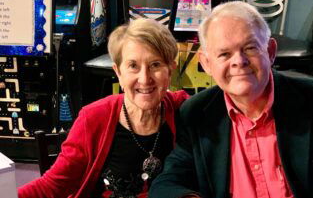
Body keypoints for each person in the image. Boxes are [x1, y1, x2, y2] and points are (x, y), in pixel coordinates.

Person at [149, 1, 313, 198]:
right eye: (224, 54)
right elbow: (167, 182)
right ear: (206, 63)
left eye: (249, 48)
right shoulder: (196, 114)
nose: (238, 61)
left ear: (270, 51)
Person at [18, 18, 189, 198]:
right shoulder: (93, 118)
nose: (145, 79)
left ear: (171, 70)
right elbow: (51, 186)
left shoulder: (185, 111)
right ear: (118, 73)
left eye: (155, 64)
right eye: (133, 66)